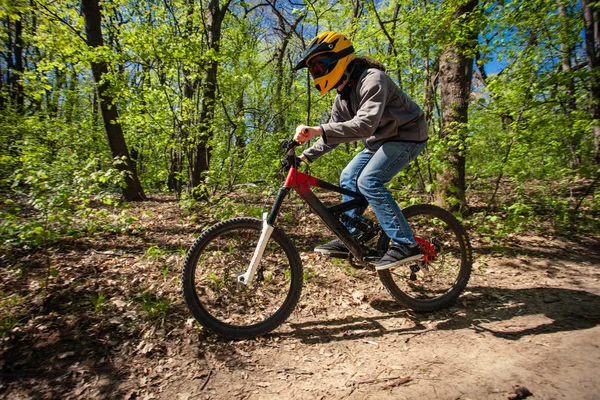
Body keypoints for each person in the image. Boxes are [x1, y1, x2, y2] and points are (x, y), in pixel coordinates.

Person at [292, 31, 428, 270]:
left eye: (320, 65)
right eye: (313, 70)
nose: (317, 73)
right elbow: (332, 135)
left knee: (369, 180)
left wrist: (317, 129)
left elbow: (365, 126)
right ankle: (353, 235)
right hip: (381, 140)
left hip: (408, 136)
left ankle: (406, 244)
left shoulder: (373, 79)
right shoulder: (342, 98)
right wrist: (304, 156)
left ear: (340, 58)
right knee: (348, 176)